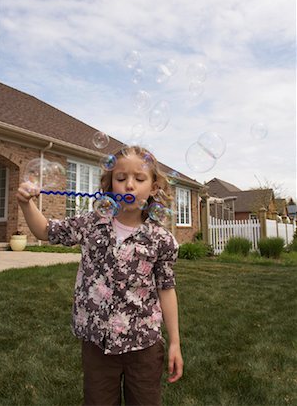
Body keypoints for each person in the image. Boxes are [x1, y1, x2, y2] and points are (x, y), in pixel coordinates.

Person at [17, 145, 183, 406]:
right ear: (109, 186)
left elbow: (166, 288)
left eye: (139, 179)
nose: (129, 185)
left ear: (153, 188)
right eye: (120, 178)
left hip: (144, 343)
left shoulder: (161, 239)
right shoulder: (92, 223)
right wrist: (25, 203)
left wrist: (175, 341)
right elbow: (45, 231)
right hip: (97, 342)